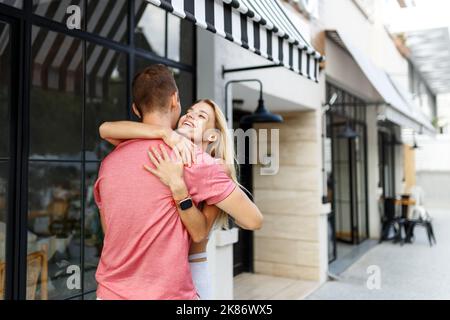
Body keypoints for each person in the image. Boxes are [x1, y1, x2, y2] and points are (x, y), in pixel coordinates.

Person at [93, 64, 263, 300]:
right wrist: (165, 135)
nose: (191, 116)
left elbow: (110, 230)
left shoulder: (109, 163)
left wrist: (181, 186)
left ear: (135, 108)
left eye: (202, 116)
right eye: (191, 111)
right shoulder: (198, 163)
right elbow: (253, 220)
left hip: (109, 293)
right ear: (175, 100)